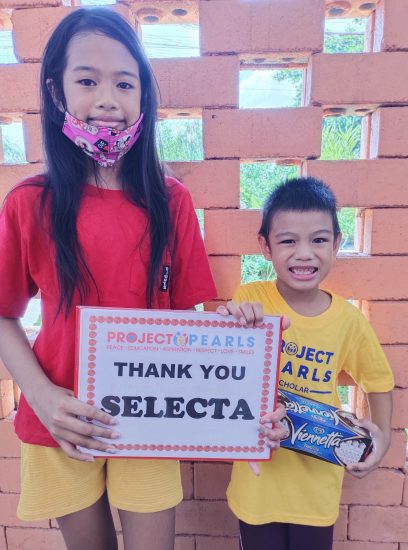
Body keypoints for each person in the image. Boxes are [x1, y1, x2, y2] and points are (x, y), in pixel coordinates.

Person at [0, 9, 216, 550]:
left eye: (124, 83)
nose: (107, 99)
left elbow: (192, 321)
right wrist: (43, 397)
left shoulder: (171, 200)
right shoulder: (29, 202)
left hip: (150, 416)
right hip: (63, 421)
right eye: (87, 81)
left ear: (144, 95)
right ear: (56, 91)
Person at [218, 177, 394, 550]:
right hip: (258, 485)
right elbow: (224, 369)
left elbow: (378, 382)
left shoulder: (348, 321)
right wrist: (233, 320)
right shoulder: (251, 300)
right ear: (265, 246)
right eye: (288, 241)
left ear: (337, 243)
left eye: (318, 240)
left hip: (317, 487)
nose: (303, 254)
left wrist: (382, 438)